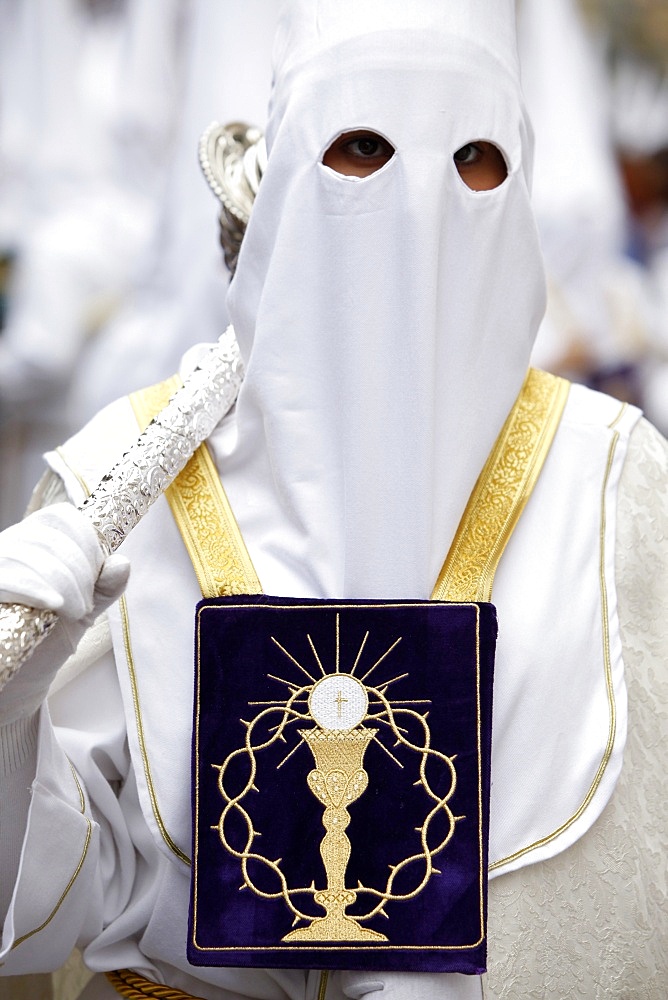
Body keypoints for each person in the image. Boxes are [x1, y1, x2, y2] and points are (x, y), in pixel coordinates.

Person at [0, 1, 666, 998]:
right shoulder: (124, 478)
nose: (422, 212)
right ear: (284, 178)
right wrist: (11, 730)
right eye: (363, 147)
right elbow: (48, 912)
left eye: (473, 159)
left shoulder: (616, 488)